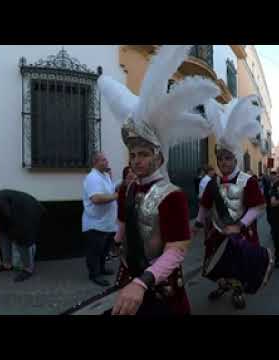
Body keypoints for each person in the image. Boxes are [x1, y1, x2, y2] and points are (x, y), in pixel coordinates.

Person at [98, 45, 220, 316]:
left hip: (160, 287)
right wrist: (116, 242)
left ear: (159, 157)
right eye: (133, 153)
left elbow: (177, 250)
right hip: (129, 275)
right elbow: (122, 223)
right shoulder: (127, 188)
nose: (137, 159)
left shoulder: (172, 195)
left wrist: (144, 281)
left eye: (144, 153)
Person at [194, 96, 267, 310]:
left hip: (242, 231)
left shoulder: (249, 181)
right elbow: (205, 205)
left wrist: (240, 225)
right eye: (221, 159)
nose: (224, 162)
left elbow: (257, 207)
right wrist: (198, 223)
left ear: (235, 159)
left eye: (228, 158)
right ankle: (223, 284)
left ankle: (238, 291)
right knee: (217, 264)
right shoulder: (212, 182)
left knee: (240, 265)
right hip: (217, 231)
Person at [82, 152, 118, 287]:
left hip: (107, 223)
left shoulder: (105, 175)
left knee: (104, 250)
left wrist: (122, 183)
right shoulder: (92, 178)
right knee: (94, 252)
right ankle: (94, 275)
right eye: (103, 160)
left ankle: (102, 269)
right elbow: (96, 198)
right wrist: (116, 196)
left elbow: (110, 189)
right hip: (95, 224)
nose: (107, 162)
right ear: (95, 162)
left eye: (106, 159)